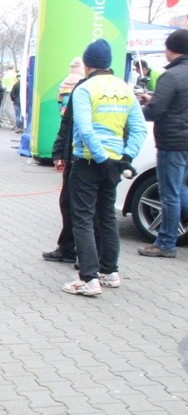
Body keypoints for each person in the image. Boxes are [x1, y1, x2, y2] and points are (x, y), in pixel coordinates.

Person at [63, 39, 146, 297]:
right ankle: (109, 272)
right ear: (109, 64)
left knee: (83, 220)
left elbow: (85, 129)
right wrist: (124, 158)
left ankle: (88, 279)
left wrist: (100, 158)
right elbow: (139, 128)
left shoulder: (85, 89)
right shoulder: (125, 89)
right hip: (114, 162)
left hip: (89, 162)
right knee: (107, 216)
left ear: (87, 64)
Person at [136, 29, 188, 259]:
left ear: (172, 49)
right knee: (180, 189)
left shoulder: (171, 76)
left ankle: (166, 242)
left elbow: (156, 111)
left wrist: (139, 109)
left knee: (169, 194)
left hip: (172, 142)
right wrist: (154, 97)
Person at [42, 60, 88, 266]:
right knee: (70, 204)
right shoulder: (79, 88)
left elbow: (72, 124)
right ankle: (69, 248)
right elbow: (67, 122)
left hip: (84, 157)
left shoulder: (84, 89)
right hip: (77, 155)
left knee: (81, 210)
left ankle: (87, 258)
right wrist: (59, 151)